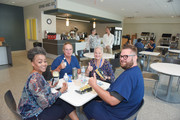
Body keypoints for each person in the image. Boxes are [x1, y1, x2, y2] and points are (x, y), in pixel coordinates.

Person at [83, 45, 144, 120]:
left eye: (125, 57)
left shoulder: (129, 76)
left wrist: (94, 85)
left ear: (135, 57)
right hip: (127, 110)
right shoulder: (136, 71)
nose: (122, 59)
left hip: (116, 114)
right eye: (121, 56)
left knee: (87, 105)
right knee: (96, 98)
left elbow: (112, 101)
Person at [18, 47, 79, 120]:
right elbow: (45, 103)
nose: (44, 64)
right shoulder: (35, 79)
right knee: (64, 107)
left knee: (64, 102)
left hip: (36, 107)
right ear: (33, 63)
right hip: (33, 115)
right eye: (40, 62)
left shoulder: (36, 74)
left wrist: (49, 85)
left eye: (45, 61)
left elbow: (40, 90)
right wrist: (61, 91)